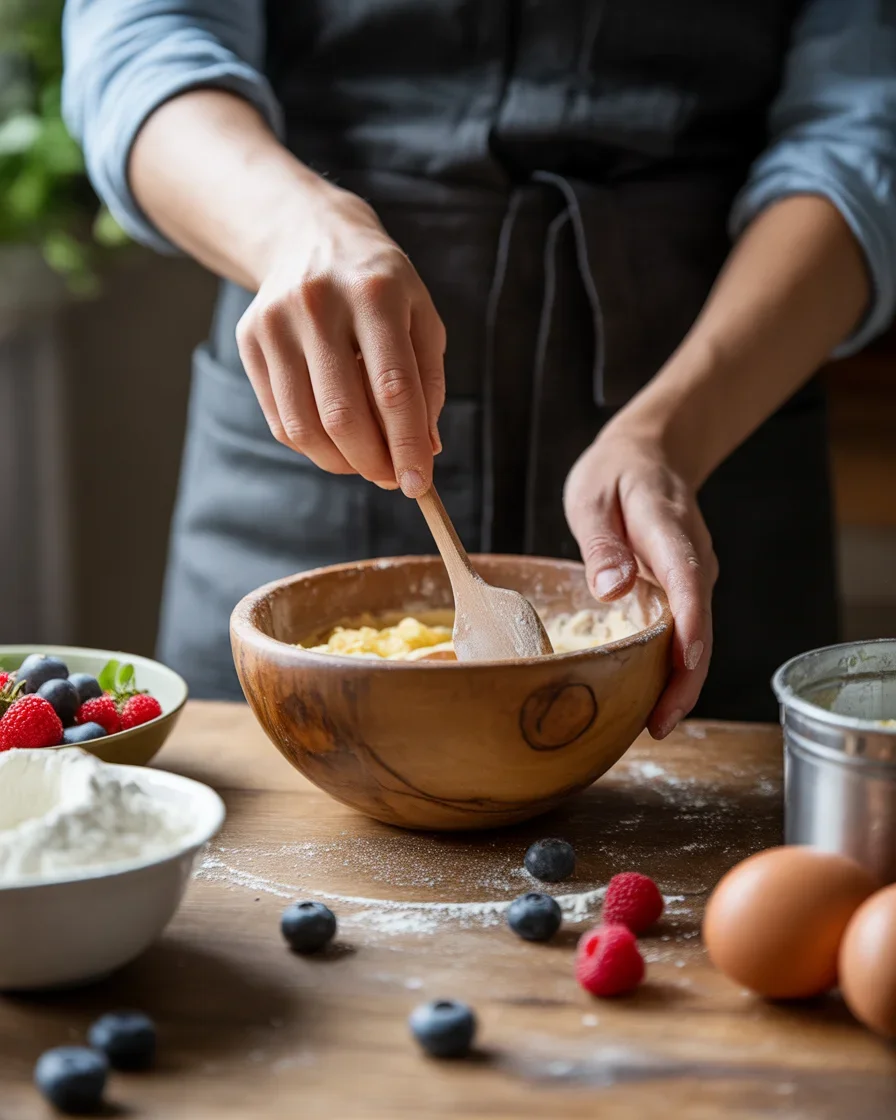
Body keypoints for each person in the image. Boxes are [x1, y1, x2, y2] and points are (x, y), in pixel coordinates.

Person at [63, 1, 896, 730]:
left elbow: (862, 126)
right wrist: (294, 226)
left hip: (722, 397)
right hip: (313, 408)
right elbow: (142, 38)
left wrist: (675, 430)